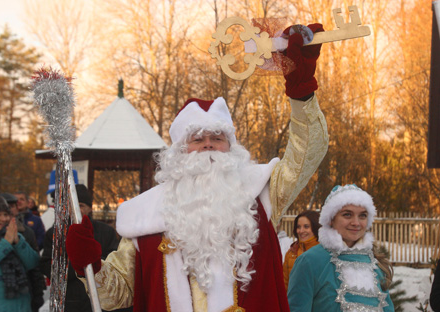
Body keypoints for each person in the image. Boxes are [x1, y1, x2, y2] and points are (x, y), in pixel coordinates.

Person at [65, 23, 329, 311]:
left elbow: (308, 153)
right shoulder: (146, 215)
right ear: (179, 152)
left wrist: (301, 94)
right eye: (197, 139)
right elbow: (116, 295)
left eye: (218, 138)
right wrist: (89, 265)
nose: (208, 145)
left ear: (231, 147)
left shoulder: (261, 191)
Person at [287, 184, 395, 311]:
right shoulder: (309, 262)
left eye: (362, 216)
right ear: (331, 219)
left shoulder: (375, 264)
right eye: (347, 215)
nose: (356, 223)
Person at [41, 184, 120, 312]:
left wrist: (94, 264)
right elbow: (47, 266)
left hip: (102, 302)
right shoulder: (56, 234)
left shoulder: (106, 232)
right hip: (69, 302)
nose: (75, 210)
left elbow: (115, 262)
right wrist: (78, 267)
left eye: (81, 206)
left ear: (89, 208)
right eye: (71, 205)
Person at [1, 193, 46, 312]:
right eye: (5, 206)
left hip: (25, 289)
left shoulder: (27, 232)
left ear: (16, 209)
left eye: (11, 206)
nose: (8, 210)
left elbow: (35, 266)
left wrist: (38, 294)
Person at [282, 210, 320, 289]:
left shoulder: (325, 252)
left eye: (306, 226)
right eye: (298, 227)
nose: (301, 231)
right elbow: (284, 284)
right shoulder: (291, 253)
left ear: (315, 227)